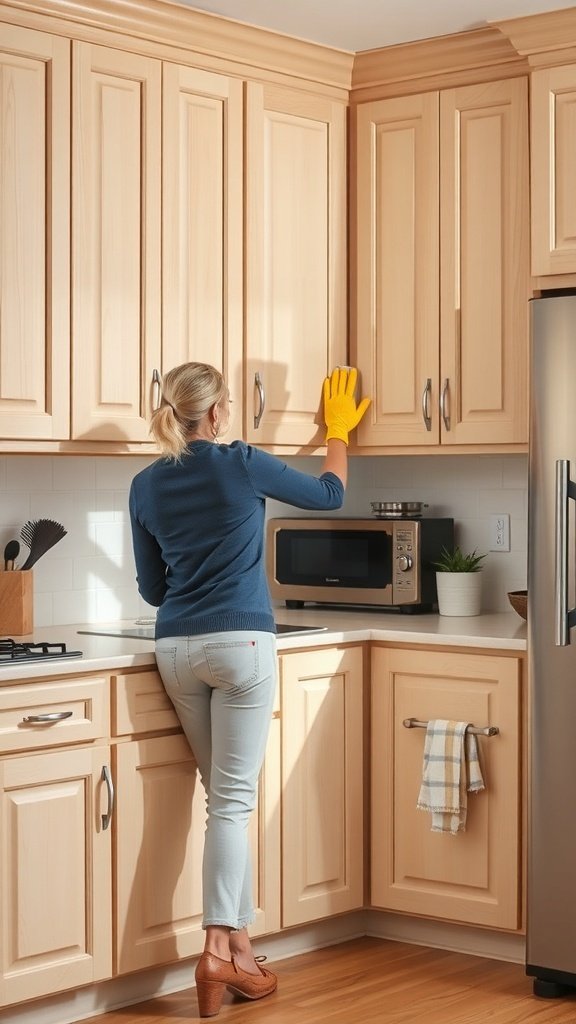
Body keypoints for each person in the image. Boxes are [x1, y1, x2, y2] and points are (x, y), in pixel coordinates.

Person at [128, 362, 370, 1018]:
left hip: (175, 649)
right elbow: (328, 495)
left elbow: (153, 590)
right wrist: (339, 433)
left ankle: (239, 951)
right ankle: (216, 947)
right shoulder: (239, 462)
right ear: (216, 413)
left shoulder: (145, 484)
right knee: (231, 805)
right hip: (240, 645)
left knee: (222, 803)